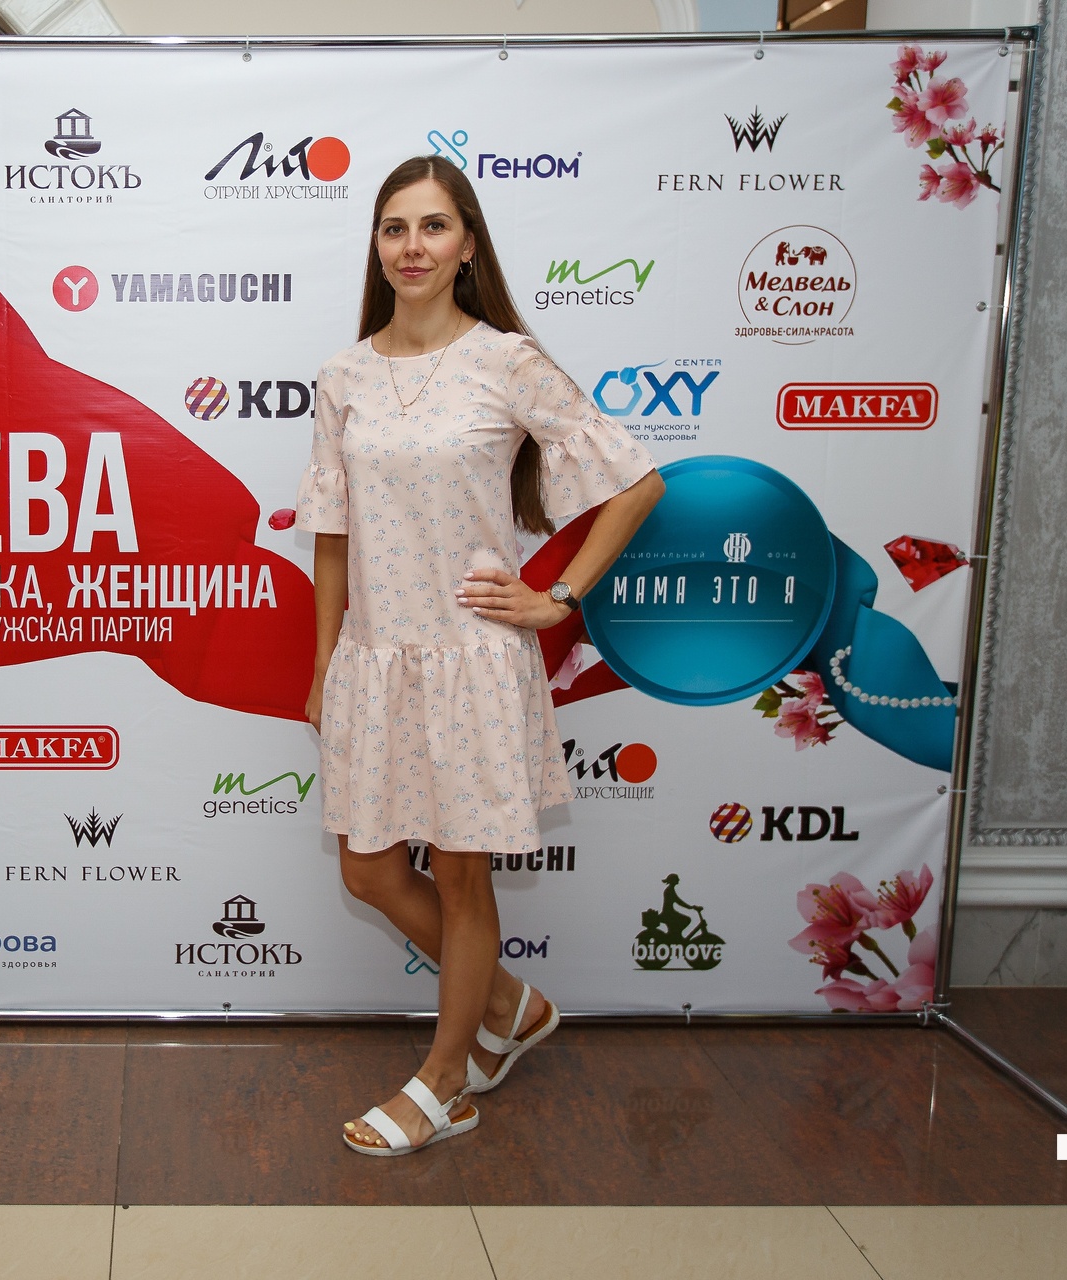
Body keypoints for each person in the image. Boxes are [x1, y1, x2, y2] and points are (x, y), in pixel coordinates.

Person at [296, 156, 664, 1156]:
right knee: (368, 869)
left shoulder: (507, 361)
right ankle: (508, 1005)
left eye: (433, 226)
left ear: (466, 245)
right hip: (375, 657)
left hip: (472, 659)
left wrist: (559, 597)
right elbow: (330, 533)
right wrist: (324, 662)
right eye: (394, 228)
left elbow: (635, 482)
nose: (412, 246)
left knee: (462, 879)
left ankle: (446, 1079)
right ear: (376, 246)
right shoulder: (343, 376)